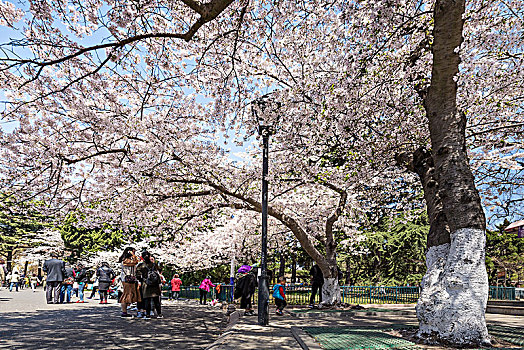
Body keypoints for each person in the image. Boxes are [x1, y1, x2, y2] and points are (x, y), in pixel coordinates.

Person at [136, 251, 163, 319]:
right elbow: (160, 269)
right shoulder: (154, 265)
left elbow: (138, 275)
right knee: (156, 300)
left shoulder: (141, 265)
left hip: (146, 284)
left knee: (147, 300)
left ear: (142, 257)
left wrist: (142, 280)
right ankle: (159, 314)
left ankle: (147, 315)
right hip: (155, 284)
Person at [119, 247, 141, 318]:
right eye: (133, 252)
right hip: (126, 279)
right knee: (126, 295)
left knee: (129, 294)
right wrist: (133, 256)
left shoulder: (128, 259)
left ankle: (124, 311)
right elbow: (135, 262)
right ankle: (124, 312)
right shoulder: (125, 260)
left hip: (130, 279)